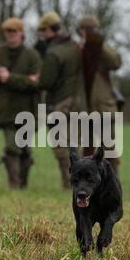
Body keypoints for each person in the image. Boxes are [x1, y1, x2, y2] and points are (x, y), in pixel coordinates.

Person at [0, 18, 41, 189]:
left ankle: (23, 185)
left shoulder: (32, 56)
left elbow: (37, 83)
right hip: (5, 111)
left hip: (28, 111)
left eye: (14, 32)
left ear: (21, 34)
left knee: (25, 149)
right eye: (7, 32)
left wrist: (10, 78)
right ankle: (14, 185)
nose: (10, 35)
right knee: (12, 147)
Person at [37, 11, 86, 189]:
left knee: (60, 147)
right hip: (78, 102)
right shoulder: (75, 46)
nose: (42, 35)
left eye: (44, 31)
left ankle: (69, 183)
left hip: (59, 102)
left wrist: (37, 78)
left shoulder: (53, 53)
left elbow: (46, 82)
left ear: (50, 30)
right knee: (75, 144)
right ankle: (83, 182)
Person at [77, 15, 123, 176]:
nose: (89, 33)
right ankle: (86, 179)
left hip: (103, 107)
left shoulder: (103, 47)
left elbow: (116, 63)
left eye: (92, 30)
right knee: (87, 148)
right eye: (86, 30)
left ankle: (112, 180)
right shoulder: (79, 49)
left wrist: (99, 45)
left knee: (108, 147)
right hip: (86, 107)